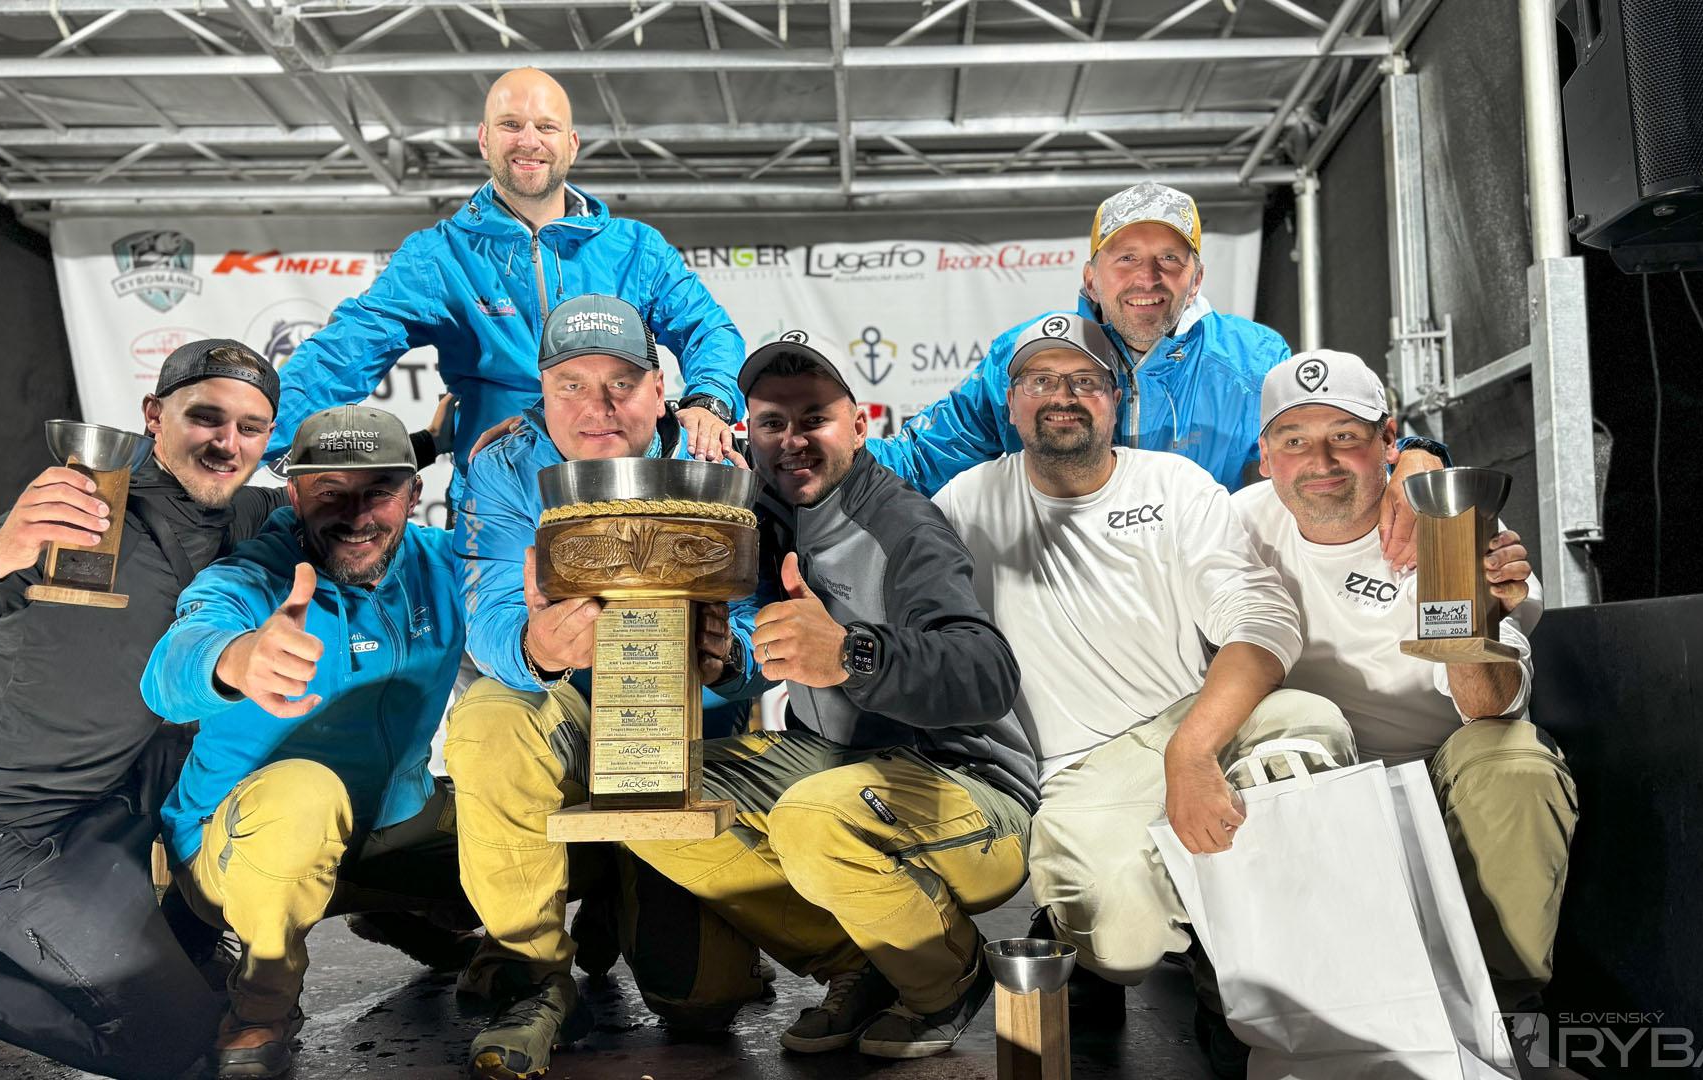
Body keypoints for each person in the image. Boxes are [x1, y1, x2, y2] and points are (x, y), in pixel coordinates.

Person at [930, 314, 1356, 1069]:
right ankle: (1109, 933)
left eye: (1085, 381)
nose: (1063, 396)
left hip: (1189, 724)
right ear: (1011, 401)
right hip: (1077, 773)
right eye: (1040, 380)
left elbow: (1261, 617)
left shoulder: (1174, 484)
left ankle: (1242, 971)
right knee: (1118, 939)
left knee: (1308, 725)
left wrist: (1191, 752)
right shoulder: (965, 503)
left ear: (1117, 398)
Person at [625, 332, 1034, 1060]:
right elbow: (764, 647)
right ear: (748, 432)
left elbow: (987, 673)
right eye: (772, 423)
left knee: (811, 819)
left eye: (814, 418)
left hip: (970, 787)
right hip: (838, 761)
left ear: (860, 426)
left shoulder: (903, 525)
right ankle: (861, 963)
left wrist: (851, 653)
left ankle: (945, 977)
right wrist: (726, 660)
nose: (793, 441)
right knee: (645, 789)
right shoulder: (766, 512)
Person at [0, 340, 284, 1079]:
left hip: (117, 825)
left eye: (250, 427)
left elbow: (354, 495)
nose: (227, 443)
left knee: (224, 999)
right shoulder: (79, 520)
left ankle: (154, 938)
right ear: (153, 417)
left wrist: (435, 443)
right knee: (174, 1046)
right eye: (206, 417)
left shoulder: (251, 520)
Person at [447, 294, 770, 1080]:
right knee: (489, 719)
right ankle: (533, 973)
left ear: (661, 389)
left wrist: (729, 657)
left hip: (685, 742)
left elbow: (761, 625)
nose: (599, 407)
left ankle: (613, 890)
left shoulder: (720, 462)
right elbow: (489, 609)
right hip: (564, 715)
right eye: (572, 386)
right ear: (542, 391)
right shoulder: (503, 464)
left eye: (622, 383)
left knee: (705, 1001)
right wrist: (534, 646)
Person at [1233, 348, 1576, 1007]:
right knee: (1268, 734)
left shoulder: (1453, 519)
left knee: (1515, 761)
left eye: (1345, 437)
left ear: (1388, 440)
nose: (1321, 462)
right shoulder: (1234, 525)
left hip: (1436, 781)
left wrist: (1468, 612)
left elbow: (1489, 708)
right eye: (1295, 441)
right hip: (1306, 779)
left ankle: (1500, 1009)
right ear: (1266, 455)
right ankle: (1272, 1002)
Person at [141, 405, 474, 1078]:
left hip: (388, 824)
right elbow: (167, 674)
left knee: (544, 834)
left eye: (379, 491)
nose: (356, 515)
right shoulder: (252, 579)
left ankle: (395, 910)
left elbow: (520, 610)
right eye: (330, 492)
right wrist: (234, 659)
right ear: (293, 495)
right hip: (237, 843)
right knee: (303, 794)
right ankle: (260, 1010)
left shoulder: (445, 565)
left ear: (414, 493)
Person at [868, 181, 1447, 568]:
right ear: (1091, 277)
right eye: (1126, 258)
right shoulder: (1030, 358)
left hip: (1200, 589)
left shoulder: (1252, 357)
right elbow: (918, 461)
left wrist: (1419, 456)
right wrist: (826, 457)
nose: (1148, 277)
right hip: (1061, 585)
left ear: (1196, 278)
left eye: (1169, 259)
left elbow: (1330, 439)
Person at [269, 66, 744, 486]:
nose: (529, 141)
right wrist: (263, 431)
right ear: (485, 139)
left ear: (571, 144)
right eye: (511, 124)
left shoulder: (636, 248)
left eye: (546, 126)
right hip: (494, 488)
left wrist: (710, 401)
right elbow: (347, 348)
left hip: (621, 484)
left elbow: (708, 330)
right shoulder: (438, 257)